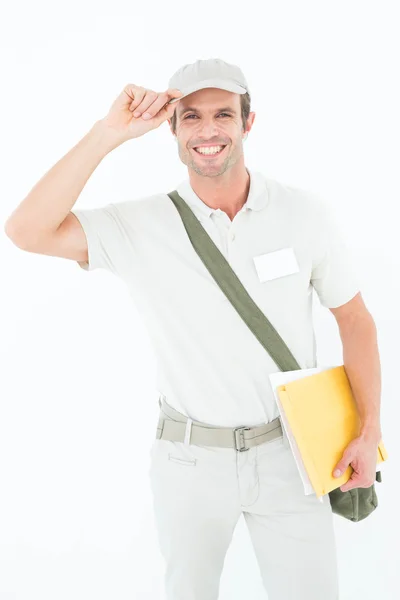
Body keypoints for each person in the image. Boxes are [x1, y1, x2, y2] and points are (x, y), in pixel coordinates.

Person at [5, 58, 382, 600]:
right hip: (189, 460)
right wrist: (107, 135)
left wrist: (368, 432)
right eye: (192, 117)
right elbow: (25, 230)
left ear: (247, 124)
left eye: (223, 115)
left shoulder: (303, 215)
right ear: (173, 129)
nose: (208, 131)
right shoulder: (139, 225)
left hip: (289, 454)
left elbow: (356, 320)